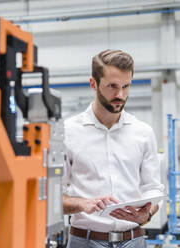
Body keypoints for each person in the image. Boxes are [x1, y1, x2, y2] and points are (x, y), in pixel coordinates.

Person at [63, 49, 164, 248]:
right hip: (85, 240)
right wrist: (82, 204)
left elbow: (152, 188)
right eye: (112, 86)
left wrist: (147, 212)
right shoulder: (68, 132)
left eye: (126, 86)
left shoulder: (143, 132)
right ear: (93, 84)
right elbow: (53, 196)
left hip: (134, 240)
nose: (120, 94)